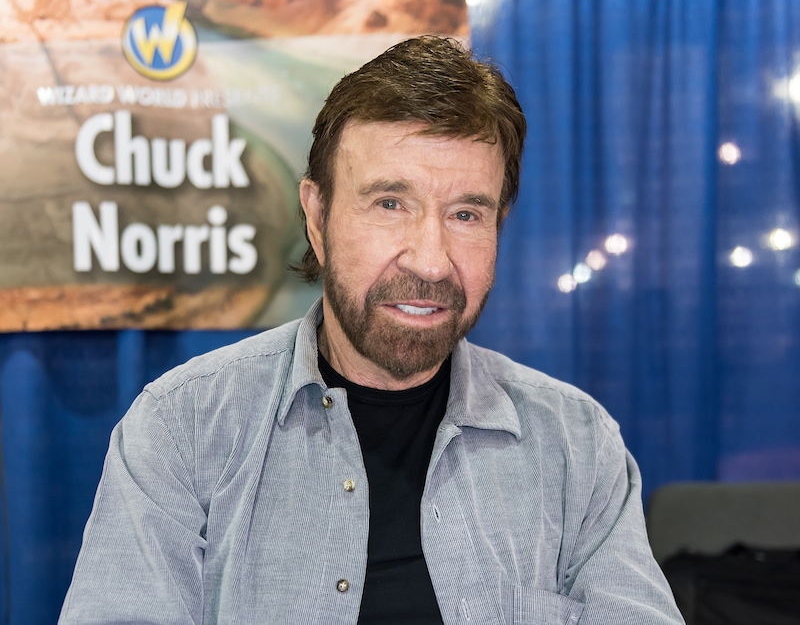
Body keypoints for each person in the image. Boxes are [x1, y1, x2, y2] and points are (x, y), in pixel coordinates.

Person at [59, 36, 684, 624]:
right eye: (390, 204)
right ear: (317, 216)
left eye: (466, 214)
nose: (431, 261)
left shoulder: (576, 445)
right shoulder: (183, 429)